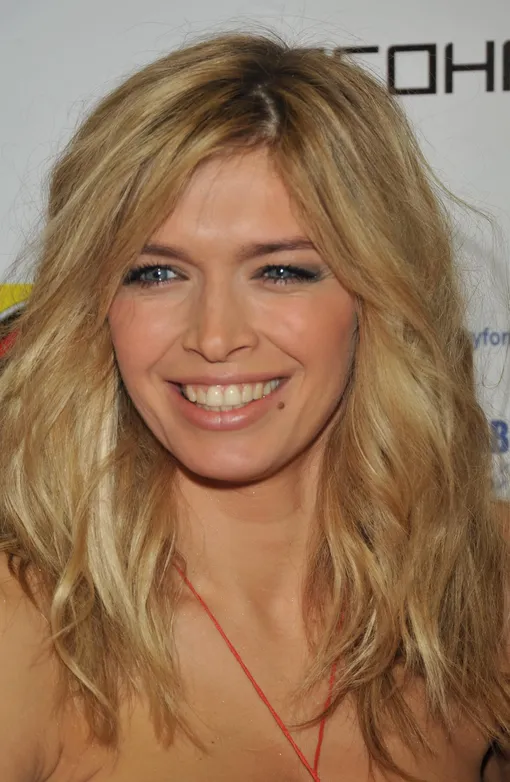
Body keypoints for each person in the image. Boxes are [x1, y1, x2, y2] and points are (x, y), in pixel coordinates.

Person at [0, 30, 508, 782]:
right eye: (155, 274)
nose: (214, 337)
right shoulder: (26, 628)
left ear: (376, 296)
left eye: (281, 271)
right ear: (95, 306)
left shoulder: (482, 576)